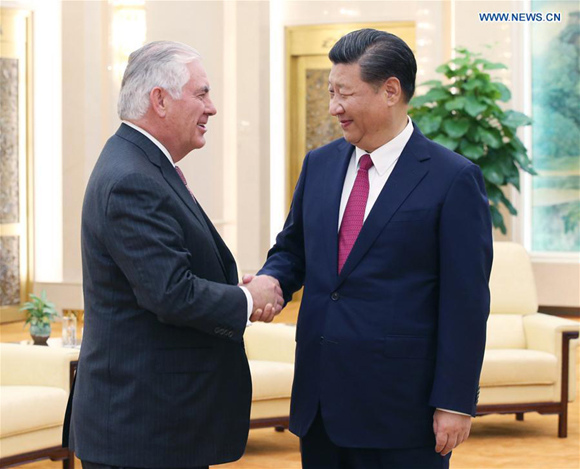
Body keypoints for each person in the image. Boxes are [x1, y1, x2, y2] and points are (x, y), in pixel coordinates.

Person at [251, 29, 493, 468]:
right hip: (320, 404)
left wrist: (455, 401)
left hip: (402, 413)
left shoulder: (452, 179)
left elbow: (467, 301)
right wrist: (271, 279)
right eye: (329, 92)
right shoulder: (319, 164)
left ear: (390, 91)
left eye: (344, 93)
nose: (333, 107)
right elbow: (293, 250)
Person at [63, 41, 283, 469]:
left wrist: (226, 290)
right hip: (143, 432)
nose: (213, 108)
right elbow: (169, 293)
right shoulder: (132, 177)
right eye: (201, 93)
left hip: (159, 428)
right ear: (159, 100)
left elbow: (164, 273)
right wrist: (247, 300)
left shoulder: (142, 164)